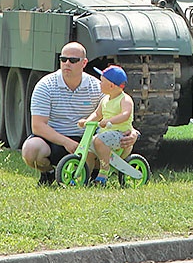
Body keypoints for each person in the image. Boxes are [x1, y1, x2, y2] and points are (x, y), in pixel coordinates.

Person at [21, 42, 139, 185]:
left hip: (88, 141)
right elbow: (38, 126)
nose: (67, 63)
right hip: (55, 141)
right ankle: (49, 173)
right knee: (31, 150)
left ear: (84, 63)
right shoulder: (46, 85)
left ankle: (93, 174)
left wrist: (132, 132)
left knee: (124, 143)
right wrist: (67, 142)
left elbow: (116, 111)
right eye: (63, 59)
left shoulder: (97, 87)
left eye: (73, 60)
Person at [78, 65, 135, 184]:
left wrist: (110, 121)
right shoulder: (105, 99)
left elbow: (126, 114)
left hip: (120, 135)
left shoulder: (125, 99)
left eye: (102, 81)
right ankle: (84, 175)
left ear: (111, 85)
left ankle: (104, 170)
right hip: (106, 134)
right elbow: (97, 114)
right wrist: (87, 121)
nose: (100, 84)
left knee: (98, 141)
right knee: (88, 147)